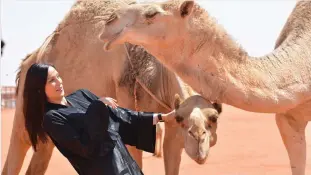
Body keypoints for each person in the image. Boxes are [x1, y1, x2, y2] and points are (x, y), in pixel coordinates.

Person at [23, 63, 177, 175]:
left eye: (58, 76)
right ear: (38, 89)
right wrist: (97, 108)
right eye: (51, 80)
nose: (59, 82)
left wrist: (161, 117)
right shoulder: (52, 119)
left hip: (128, 165)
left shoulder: (82, 95)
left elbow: (119, 116)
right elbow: (86, 148)